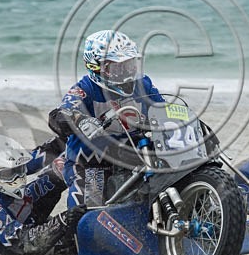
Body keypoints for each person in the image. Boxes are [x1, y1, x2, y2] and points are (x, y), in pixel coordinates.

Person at [48, 30, 165, 208]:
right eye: (118, 67)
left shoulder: (143, 84)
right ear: (97, 67)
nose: (126, 72)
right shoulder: (85, 89)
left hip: (133, 156)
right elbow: (57, 116)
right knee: (88, 211)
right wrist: (80, 119)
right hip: (91, 163)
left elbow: (163, 111)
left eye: (130, 64)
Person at [0, 133, 85, 255]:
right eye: (9, 174)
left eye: (19, 170)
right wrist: (63, 221)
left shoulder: (3, 166)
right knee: (70, 238)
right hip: (17, 247)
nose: (17, 178)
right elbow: (24, 244)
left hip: (16, 207)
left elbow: (41, 155)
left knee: (60, 168)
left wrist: (71, 137)